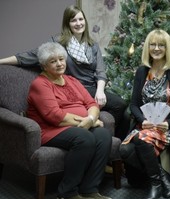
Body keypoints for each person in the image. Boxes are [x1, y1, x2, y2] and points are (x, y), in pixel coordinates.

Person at [0, 5, 129, 140]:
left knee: (123, 111)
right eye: (74, 20)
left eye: (81, 19)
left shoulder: (92, 45)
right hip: (76, 88)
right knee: (119, 104)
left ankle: (115, 146)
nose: (78, 23)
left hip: (93, 88)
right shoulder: (58, 43)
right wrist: (1, 61)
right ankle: (100, 133)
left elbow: (100, 71)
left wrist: (100, 91)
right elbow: (27, 56)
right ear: (67, 24)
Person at [27, 42, 113, 199]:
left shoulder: (71, 80)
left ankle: (89, 188)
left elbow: (91, 103)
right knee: (85, 138)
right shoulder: (40, 84)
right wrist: (90, 121)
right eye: (53, 61)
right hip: (52, 130)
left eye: (61, 59)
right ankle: (67, 192)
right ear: (44, 65)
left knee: (103, 135)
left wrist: (91, 117)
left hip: (79, 124)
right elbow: (54, 116)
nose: (59, 64)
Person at [119, 29, 170, 199]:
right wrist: (143, 121)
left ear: (167, 49)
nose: (156, 48)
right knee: (123, 150)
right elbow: (133, 105)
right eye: (153, 44)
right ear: (148, 47)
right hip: (146, 126)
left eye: (161, 45)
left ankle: (155, 184)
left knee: (140, 140)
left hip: (166, 128)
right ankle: (163, 178)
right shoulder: (142, 72)